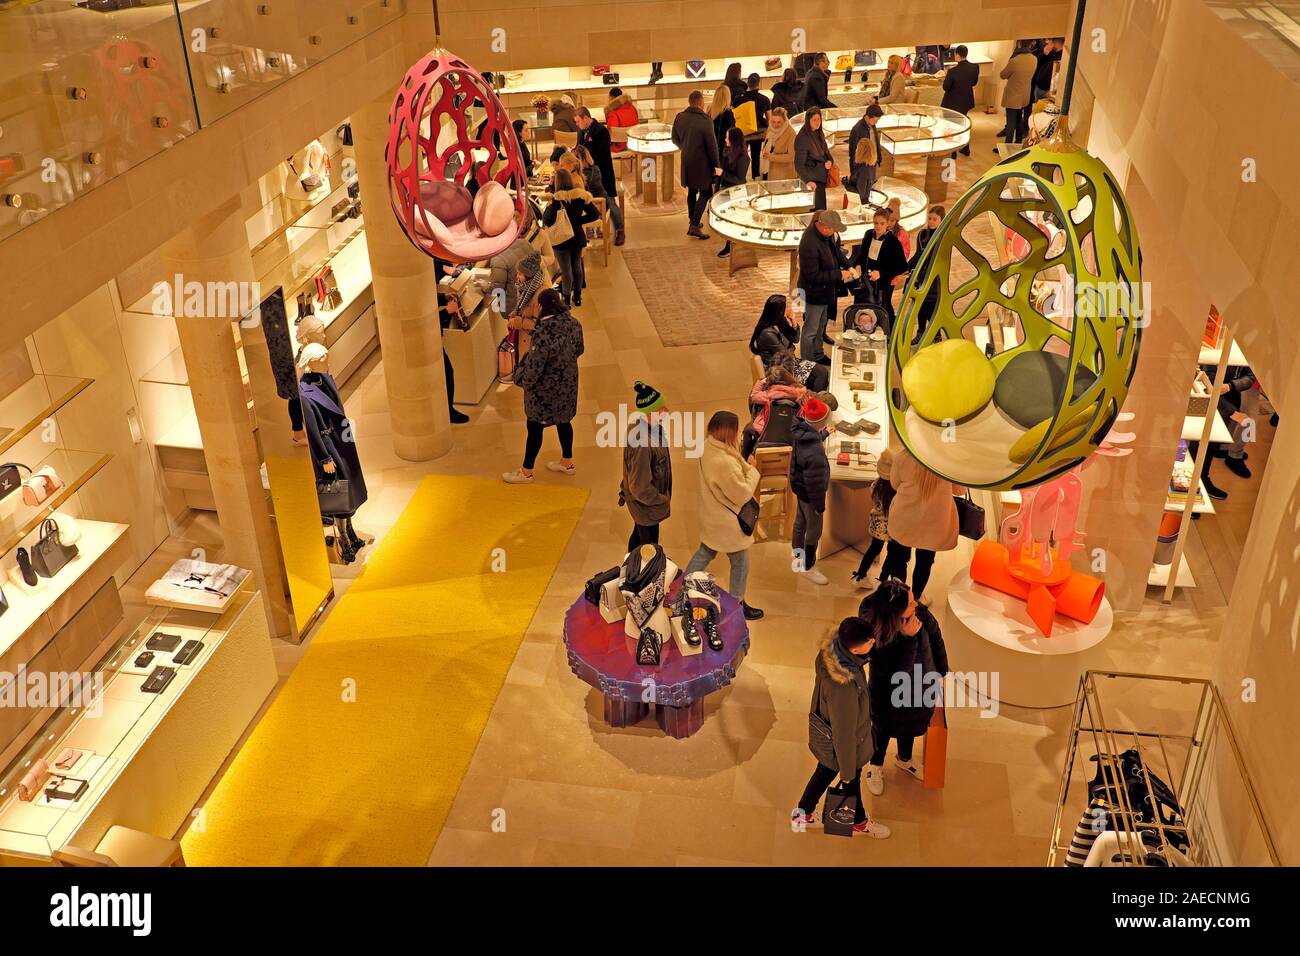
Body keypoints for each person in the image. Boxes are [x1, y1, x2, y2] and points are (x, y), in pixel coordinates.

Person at [792, 615, 892, 838]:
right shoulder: (843, 687)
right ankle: (859, 822)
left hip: (827, 735)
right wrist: (846, 771)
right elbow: (844, 733)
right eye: (869, 641)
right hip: (846, 747)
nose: (873, 643)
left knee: (824, 771)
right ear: (855, 651)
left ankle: (803, 813)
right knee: (850, 780)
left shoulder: (834, 652)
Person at [862, 580, 947, 796]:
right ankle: (875, 766)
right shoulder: (876, 632)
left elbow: (937, 640)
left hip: (921, 686)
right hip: (889, 695)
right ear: (894, 612)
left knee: (911, 725)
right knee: (882, 730)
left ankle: (904, 759)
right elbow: (895, 675)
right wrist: (909, 639)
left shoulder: (921, 616)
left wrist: (942, 672)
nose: (915, 604)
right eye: (910, 603)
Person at [686, 411, 765, 621]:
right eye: (736, 429)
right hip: (727, 523)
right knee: (741, 563)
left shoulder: (709, 446)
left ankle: (683, 588)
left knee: (705, 552)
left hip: (712, 515)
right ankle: (737, 603)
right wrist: (754, 470)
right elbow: (742, 493)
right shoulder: (724, 462)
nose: (739, 433)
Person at [503, 289, 583, 484]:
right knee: (564, 421)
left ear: (540, 307)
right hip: (568, 383)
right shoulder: (574, 323)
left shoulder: (543, 333)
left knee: (534, 427)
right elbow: (579, 349)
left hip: (544, 391)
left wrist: (520, 379)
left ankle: (526, 472)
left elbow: (535, 368)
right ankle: (567, 462)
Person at [879, 445, 964, 598]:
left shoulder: (903, 457)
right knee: (925, 562)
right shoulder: (949, 461)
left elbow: (894, 484)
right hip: (935, 522)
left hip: (904, 518)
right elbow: (960, 491)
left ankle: (900, 600)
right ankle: (916, 599)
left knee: (898, 559)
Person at [620, 381, 673, 549]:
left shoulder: (651, 429)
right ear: (648, 413)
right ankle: (636, 573)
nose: (666, 411)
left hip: (646, 507)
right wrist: (661, 500)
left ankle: (629, 570)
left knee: (639, 540)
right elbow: (639, 487)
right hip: (646, 506)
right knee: (648, 550)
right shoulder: (642, 443)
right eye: (661, 409)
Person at [797, 208, 853, 362]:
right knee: (810, 330)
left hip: (825, 291)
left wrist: (849, 266)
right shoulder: (809, 242)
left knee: (821, 325)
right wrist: (839, 274)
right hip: (814, 293)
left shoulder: (826, 236)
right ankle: (807, 363)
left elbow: (836, 252)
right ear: (825, 227)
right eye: (834, 229)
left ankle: (818, 354)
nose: (835, 232)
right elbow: (812, 276)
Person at [789, 396, 832, 585]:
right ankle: (807, 566)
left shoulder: (800, 430)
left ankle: (797, 559)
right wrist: (819, 506)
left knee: (800, 525)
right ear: (821, 422)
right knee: (814, 531)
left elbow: (809, 439)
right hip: (810, 494)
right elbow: (815, 482)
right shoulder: (815, 451)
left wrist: (823, 435)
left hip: (799, 487)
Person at [542, 168, 600, 307]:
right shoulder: (580, 196)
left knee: (566, 270)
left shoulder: (556, 199)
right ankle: (578, 297)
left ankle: (566, 299)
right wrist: (578, 221)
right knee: (577, 267)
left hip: (561, 240)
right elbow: (594, 214)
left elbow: (547, 220)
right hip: (577, 237)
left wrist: (549, 206)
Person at [672, 89, 722, 240]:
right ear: (701, 103)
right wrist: (717, 167)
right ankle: (694, 225)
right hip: (702, 163)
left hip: (686, 160)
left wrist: (685, 147)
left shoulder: (679, 117)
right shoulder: (706, 121)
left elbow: (674, 139)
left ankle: (692, 219)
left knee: (692, 191)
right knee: (706, 192)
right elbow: (712, 147)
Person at [850, 208, 907, 329]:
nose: (878, 226)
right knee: (862, 310)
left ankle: (889, 336)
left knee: (881, 311)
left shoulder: (893, 242)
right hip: (865, 282)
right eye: (876, 223)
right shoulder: (869, 234)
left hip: (881, 286)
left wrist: (882, 273)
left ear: (887, 224)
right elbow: (861, 255)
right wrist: (858, 265)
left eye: (881, 223)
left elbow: (902, 266)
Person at [851, 454, 895, 583]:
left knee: (873, 550)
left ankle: (861, 574)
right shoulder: (896, 489)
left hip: (877, 525)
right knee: (891, 554)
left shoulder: (875, 485)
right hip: (892, 527)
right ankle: (882, 580)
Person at [571, 144, 625, 246]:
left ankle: (619, 230)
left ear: (579, 159)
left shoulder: (587, 173)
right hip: (594, 201)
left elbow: (583, 189)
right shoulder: (590, 170)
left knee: (611, 204)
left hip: (597, 202)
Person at [906, 205, 945, 340]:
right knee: (921, 305)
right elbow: (918, 255)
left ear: (941, 220)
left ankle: (936, 334)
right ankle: (920, 331)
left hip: (935, 278)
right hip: (922, 277)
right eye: (930, 218)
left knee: (934, 306)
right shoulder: (922, 234)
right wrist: (905, 267)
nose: (931, 222)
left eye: (935, 219)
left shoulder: (943, 237)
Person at [505, 252, 547, 364]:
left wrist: (517, 321)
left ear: (529, 276)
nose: (517, 277)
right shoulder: (526, 289)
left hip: (532, 343)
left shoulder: (540, 295)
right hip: (522, 338)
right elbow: (522, 308)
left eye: (520, 274)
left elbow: (538, 324)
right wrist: (514, 314)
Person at [715, 127, 748, 257]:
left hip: (737, 194)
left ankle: (730, 246)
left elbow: (739, 180)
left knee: (733, 220)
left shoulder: (744, 158)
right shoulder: (727, 151)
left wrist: (722, 173)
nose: (725, 139)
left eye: (727, 137)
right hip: (726, 191)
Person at [941, 45, 979, 157]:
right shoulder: (975, 67)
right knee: (963, 124)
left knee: (951, 126)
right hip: (966, 101)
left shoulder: (952, 71)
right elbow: (974, 83)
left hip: (952, 102)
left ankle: (952, 152)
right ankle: (965, 148)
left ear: (957, 55)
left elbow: (946, 87)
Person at [794, 106, 833, 211]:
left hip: (822, 177)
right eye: (814, 120)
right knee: (819, 210)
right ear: (808, 121)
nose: (817, 122)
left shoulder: (819, 133)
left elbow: (826, 152)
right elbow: (799, 164)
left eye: (819, 119)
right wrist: (807, 181)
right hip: (814, 180)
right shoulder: (803, 138)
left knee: (822, 209)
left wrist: (830, 161)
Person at [998, 43, 1037, 147]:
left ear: (1019, 45)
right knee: (1019, 119)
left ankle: (1007, 146)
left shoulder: (1015, 61)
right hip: (1024, 94)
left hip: (1013, 95)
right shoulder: (1034, 59)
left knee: (1010, 122)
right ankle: (1018, 142)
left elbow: (1003, 75)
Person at [734, 73, 772, 178]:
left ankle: (741, 177)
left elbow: (734, 117)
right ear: (758, 83)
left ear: (747, 83)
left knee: (742, 156)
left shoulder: (738, 99)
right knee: (755, 156)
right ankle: (755, 177)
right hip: (758, 133)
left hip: (743, 133)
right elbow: (770, 119)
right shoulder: (764, 99)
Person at [748, 293, 802, 367]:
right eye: (787, 306)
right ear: (779, 310)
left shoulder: (781, 321)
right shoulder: (767, 333)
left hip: (787, 362)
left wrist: (793, 321)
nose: (790, 308)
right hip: (776, 368)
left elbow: (795, 339)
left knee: (820, 371)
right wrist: (792, 348)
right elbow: (784, 353)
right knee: (819, 373)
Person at [574, 107, 616, 197]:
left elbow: (601, 154)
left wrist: (583, 153)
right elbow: (579, 147)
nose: (576, 124)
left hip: (601, 172)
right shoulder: (581, 131)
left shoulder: (601, 130)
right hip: (587, 170)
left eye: (578, 121)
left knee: (608, 203)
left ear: (585, 118)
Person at [848, 104, 883, 199]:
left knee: (869, 187)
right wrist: (854, 172)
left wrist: (878, 158)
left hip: (872, 163)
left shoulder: (872, 125)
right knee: (862, 194)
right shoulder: (857, 129)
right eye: (875, 120)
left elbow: (876, 142)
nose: (876, 123)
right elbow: (852, 153)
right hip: (863, 167)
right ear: (867, 117)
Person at [760, 106, 796, 181]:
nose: (775, 125)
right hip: (767, 169)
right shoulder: (770, 128)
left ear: (784, 121)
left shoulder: (791, 133)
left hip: (782, 175)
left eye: (779, 122)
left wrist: (771, 157)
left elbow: (791, 157)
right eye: (773, 121)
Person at [604, 86, 639, 153]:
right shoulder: (632, 108)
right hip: (633, 144)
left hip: (618, 147)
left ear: (611, 97)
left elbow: (611, 133)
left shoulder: (612, 112)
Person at [708, 84, 735, 160]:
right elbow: (732, 132)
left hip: (711, 149)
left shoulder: (709, 111)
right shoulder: (728, 113)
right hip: (723, 151)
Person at [1033, 38, 1064, 103]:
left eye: (1049, 40)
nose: (1047, 42)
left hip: (1048, 91)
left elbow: (1060, 76)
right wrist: (1044, 54)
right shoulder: (1051, 51)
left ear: (1054, 42)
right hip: (1038, 86)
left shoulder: (1063, 56)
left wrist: (1053, 91)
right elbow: (1036, 63)